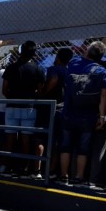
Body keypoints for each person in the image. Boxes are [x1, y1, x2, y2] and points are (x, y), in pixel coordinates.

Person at [58, 41, 106, 186]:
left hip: (69, 111)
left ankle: (63, 176)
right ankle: (79, 177)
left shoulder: (74, 63)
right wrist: (102, 116)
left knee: (66, 145)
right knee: (83, 147)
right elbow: (104, 95)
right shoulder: (101, 71)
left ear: (87, 51)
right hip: (88, 115)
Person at [2, 41, 45, 178]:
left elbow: (4, 89)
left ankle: (7, 167)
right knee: (26, 139)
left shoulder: (11, 68)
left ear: (20, 51)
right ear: (34, 53)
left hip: (12, 106)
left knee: (10, 138)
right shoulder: (37, 69)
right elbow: (41, 90)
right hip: (29, 107)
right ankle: (24, 168)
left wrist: (13, 96)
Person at [37, 47, 74, 180]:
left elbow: (53, 80)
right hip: (63, 108)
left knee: (42, 137)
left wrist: (43, 93)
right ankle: (52, 170)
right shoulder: (69, 71)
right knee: (57, 142)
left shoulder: (54, 69)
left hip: (50, 107)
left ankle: (38, 169)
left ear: (57, 57)